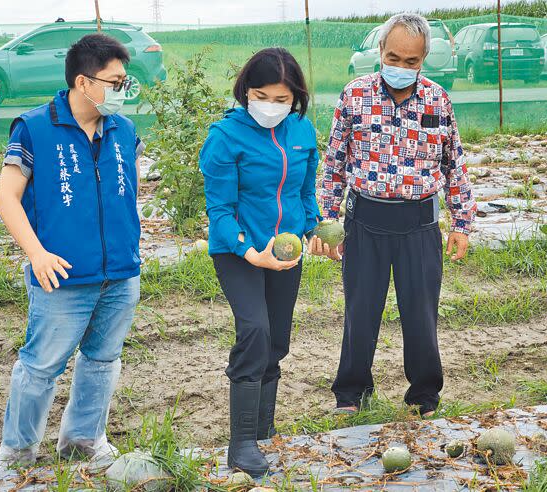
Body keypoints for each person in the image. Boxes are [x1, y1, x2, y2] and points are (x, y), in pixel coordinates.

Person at [311, 13, 477, 417]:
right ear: (380, 52)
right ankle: (351, 393)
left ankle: (423, 395)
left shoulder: (437, 99)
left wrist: (461, 223)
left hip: (419, 223)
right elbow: (334, 163)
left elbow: (453, 164)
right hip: (365, 220)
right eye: (393, 57)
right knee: (360, 311)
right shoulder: (355, 96)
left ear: (423, 60)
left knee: (421, 315)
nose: (400, 68)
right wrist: (327, 222)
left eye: (411, 61)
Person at [0, 33, 145, 471]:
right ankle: (17, 454)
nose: (123, 89)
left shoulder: (124, 128)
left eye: (125, 81)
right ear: (83, 81)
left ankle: (82, 439)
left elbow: (126, 191)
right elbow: (6, 198)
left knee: (102, 361)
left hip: (119, 272)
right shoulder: (35, 127)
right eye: (115, 81)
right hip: (60, 275)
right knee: (40, 367)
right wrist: (37, 253)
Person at [199, 47, 321, 477]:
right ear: (245, 92)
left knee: (277, 341)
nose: (271, 106)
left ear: (296, 98)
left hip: (285, 252)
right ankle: (242, 443)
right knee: (254, 330)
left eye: (281, 99)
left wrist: (315, 229)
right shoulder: (225, 136)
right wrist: (251, 251)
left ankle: (265, 430)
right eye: (261, 95)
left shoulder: (303, 132)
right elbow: (220, 210)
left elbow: (306, 193)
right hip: (240, 252)